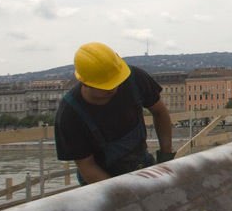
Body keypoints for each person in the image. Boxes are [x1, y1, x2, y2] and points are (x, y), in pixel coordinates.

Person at [54, 42, 174, 185]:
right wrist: (120, 193)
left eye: (116, 82)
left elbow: (160, 113)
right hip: (99, 181)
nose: (114, 89)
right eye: (105, 86)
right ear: (85, 83)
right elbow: (87, 166)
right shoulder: (70, 115)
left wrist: (165, 157)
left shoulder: (133, 78)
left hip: (141, 165)